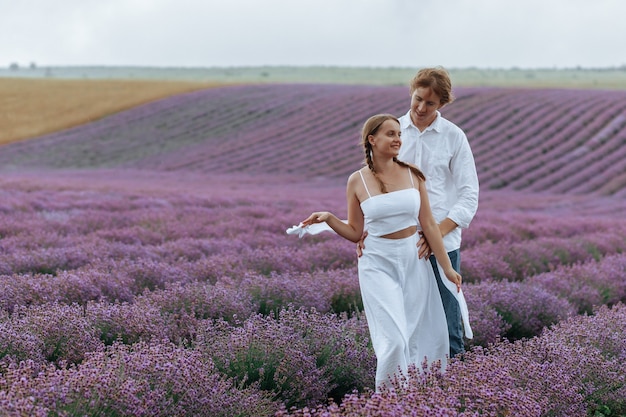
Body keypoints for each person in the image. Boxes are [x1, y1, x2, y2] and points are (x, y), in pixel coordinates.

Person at [298, 114, 463, 391]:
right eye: (390, 134)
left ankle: (420, 397)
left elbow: (430, 225)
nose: (397, 138)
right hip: (377, 262)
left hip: (414, 260)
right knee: (394, 340)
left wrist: (446, 268)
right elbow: (354, 231)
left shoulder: (414, 175)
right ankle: (388, 401)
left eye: (399, 133)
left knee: (418, 336)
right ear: (372, 140)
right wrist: (328, 218)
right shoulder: (357, 181)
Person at [358, 67, 479, 358]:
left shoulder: (453, 137)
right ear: (411, 93)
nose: (422, 108)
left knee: (449, 329)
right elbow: (371, 184)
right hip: (397, 246)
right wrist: (365, 228)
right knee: (405, 328)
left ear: (442, 105)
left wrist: (436, 232)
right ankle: (409, 396)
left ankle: (454, 393)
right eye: (418, 99)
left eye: (431, 103)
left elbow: (468, 195)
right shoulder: (393, 132)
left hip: (443, 246)